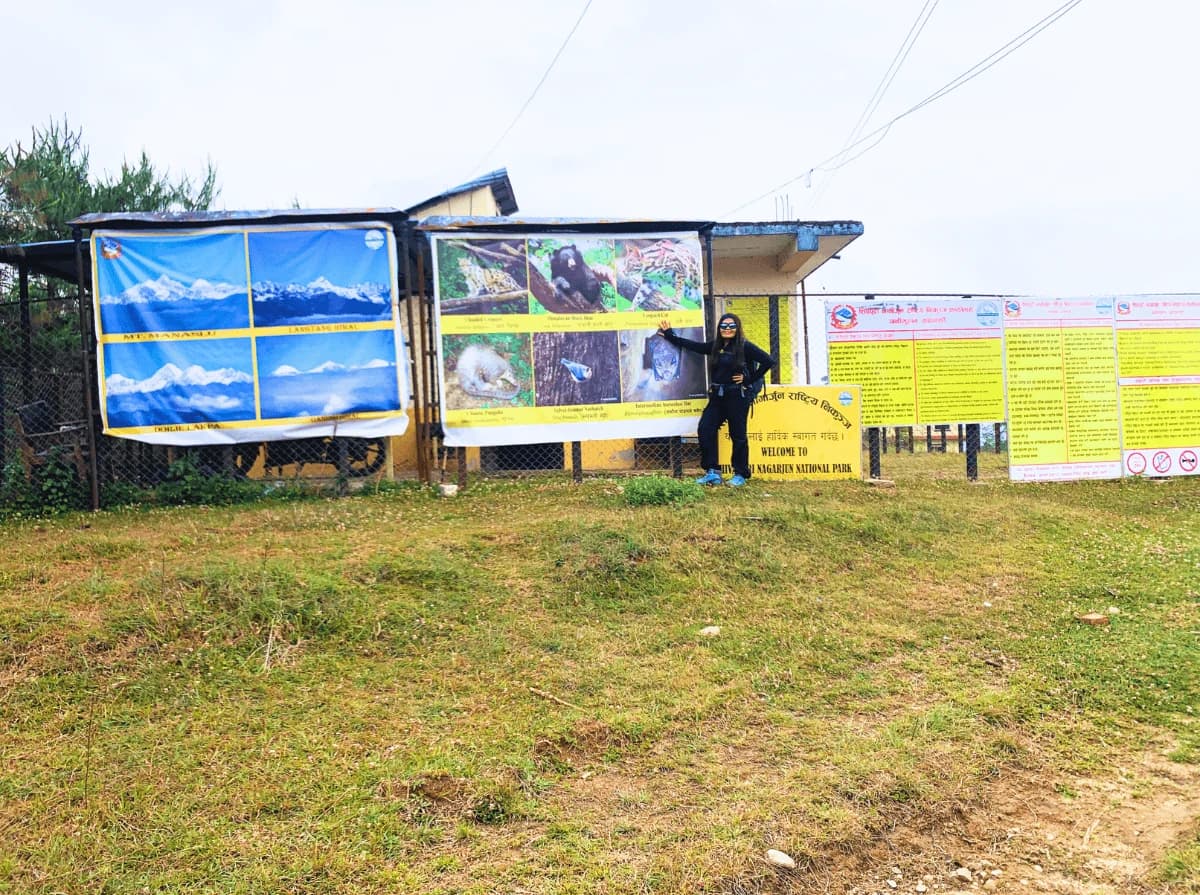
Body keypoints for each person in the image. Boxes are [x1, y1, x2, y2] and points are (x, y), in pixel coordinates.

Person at [657, 312, 775, 487]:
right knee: (705, 429)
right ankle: (713, 472)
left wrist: (749, 379)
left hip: (737, 397)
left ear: (737, 328)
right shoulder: (715, 347)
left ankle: (740, 474)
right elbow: (694, 346)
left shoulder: (745, 346)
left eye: (731, 326)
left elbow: (768, 361)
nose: (727, 329)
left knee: (738, 435)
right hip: (718, 397)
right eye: (724, 326)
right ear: (719, 328)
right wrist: (670, 335)